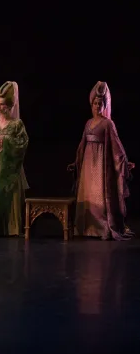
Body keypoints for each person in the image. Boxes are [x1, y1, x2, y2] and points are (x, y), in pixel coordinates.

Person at [67, 81, 135, 240]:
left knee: (99, 192)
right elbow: (82, 145)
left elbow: (117, 144)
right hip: (88, 163)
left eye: (100, 103)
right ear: (92, 104)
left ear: (104, 105)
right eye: (95, 103)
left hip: (100, 163)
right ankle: (86, 227)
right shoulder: (88, 123)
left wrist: (123, 162)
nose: (97, 106)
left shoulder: (108, 123)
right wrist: (76, 162)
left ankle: (101, 228)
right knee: (87, 193)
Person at [0, 81, 29, 236]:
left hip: (11, 167)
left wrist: (6, 141)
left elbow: (23, 143)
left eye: (2, 104)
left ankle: (11, 228)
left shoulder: (16, 124)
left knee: (10, 194)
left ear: (9, 105)